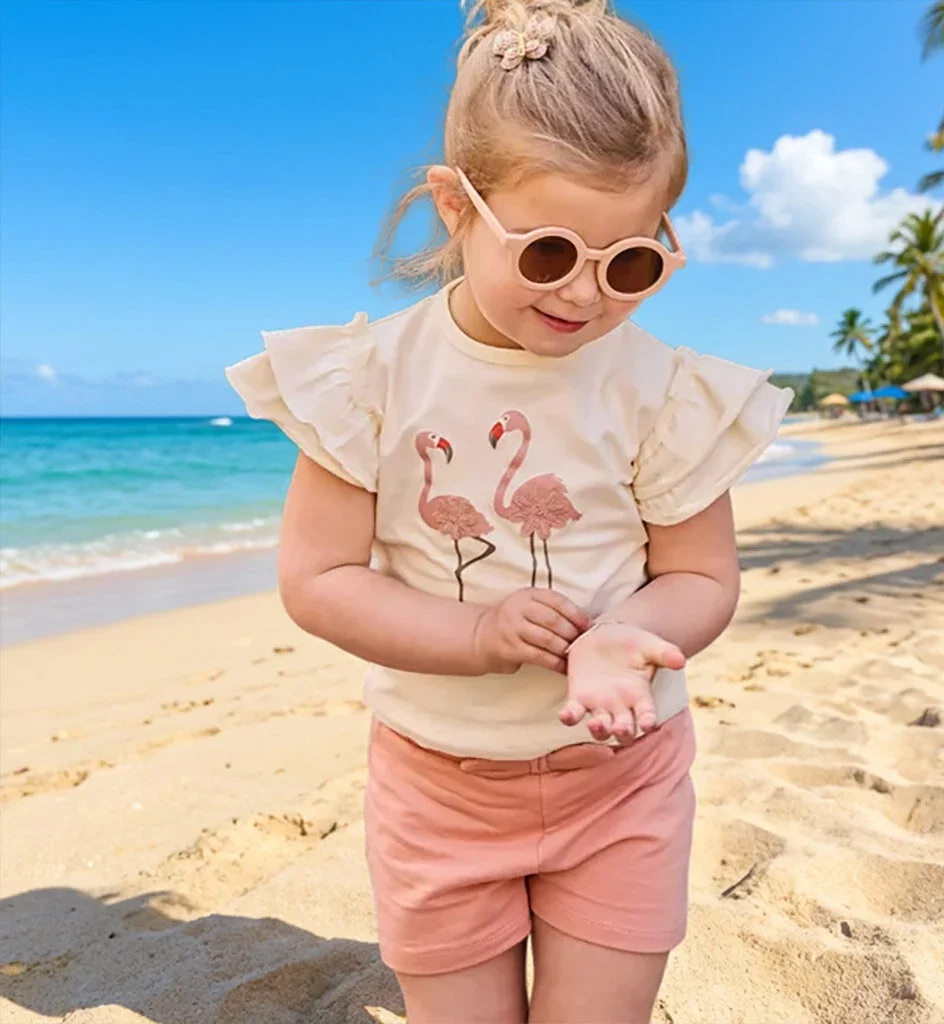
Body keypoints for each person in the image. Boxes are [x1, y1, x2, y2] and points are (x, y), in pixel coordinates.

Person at [226, 1, 792, 1019]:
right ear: (455, 207)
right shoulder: (373, 379)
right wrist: (477, 631)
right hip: (437, 787)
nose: (584, 295)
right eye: (546, 253)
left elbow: (702, 575)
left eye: (630, 265)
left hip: (621, 779)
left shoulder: (659, 390)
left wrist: (627, 639)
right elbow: (316, 577)